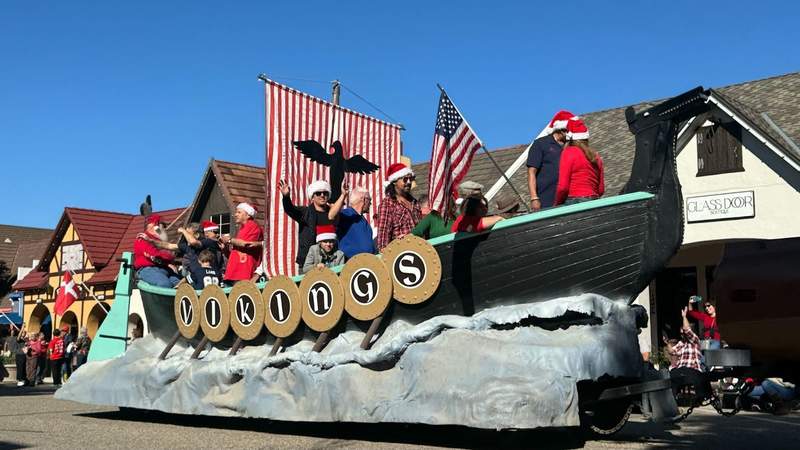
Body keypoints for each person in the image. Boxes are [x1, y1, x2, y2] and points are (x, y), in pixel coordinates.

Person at [281, 179, 338, 269]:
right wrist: (286, 197)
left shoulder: (332, 213)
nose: (322, 195)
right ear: (312, 197)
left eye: (325, 193)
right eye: (318, 193)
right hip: (308, 262)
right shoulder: (305, 212)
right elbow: (290, 210)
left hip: (330, 261)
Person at [527, 110, 574, 211]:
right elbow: (531, 172)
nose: (570, 133)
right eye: (568, 130)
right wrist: (534, 198)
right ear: (560, 130)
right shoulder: (541, 144)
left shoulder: (571, 146)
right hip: (546, 199)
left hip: (568, 199)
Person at [554, 118, 605, 206]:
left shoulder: (569, 152)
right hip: (595, 202)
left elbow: (563, 187)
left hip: (574, 202)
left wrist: (557, 204)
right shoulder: (596, 157)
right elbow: (601, 190)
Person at [664, 307, 710, 401]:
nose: (682, 335)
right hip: (681, 369)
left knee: (691, 376)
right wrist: (667, 343)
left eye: (683, 334)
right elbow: (672, 351)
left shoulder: (695, 340)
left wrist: (684, 316)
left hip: (692, 369)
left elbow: (687, 330)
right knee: (670, 375)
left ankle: (702, 397)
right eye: (681, 334)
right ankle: (671, 401)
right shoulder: (682, 343)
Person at [376, 163, 422, 251]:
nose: (409, 182)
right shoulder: (387, 204)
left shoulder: (415, 202)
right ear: (394, 182)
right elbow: (383, 241)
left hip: (419, 250)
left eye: (411, 179)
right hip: (401, 254)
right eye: (405, 179)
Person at [134, 214, 180, 288]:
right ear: (155, 227)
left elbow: (167, 255)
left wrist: (167, 262)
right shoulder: (143, 238)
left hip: (162, 268)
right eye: (163, 226)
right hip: (147, 269)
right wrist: (168, 259)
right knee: (165, 284)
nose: (164, 229)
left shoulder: (159, 241)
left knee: (181, 284)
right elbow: (155, 255)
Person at [223, 202, 263, 284]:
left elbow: (246, 244)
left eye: (239, 212)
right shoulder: (243, 228)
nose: (235, 214)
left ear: (248, 215)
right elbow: (237, 253)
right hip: (237, 272)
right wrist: (224, 248)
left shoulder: (252, 226)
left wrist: (229, 240)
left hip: (244, 271)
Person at [332, 186, 376, 259]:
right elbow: (331, 216)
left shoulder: (364, 221)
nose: (370, 203)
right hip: (350, 264)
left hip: (367, 264)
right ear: (363, 199)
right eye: (369, 200)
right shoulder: (346, 214)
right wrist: (343, 195)